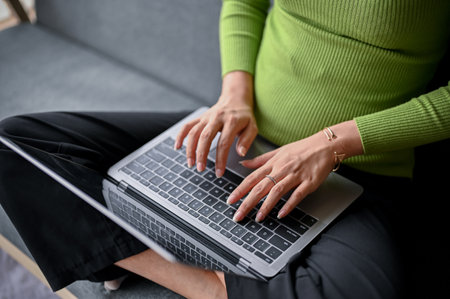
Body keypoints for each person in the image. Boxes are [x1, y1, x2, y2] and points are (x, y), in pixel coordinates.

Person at [0, 0, 449, 298]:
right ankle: (161, 264)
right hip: (243, 137)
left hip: (360, 169)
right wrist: (234, 95)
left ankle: (205, 285)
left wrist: (332, 144)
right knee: (16, 143)